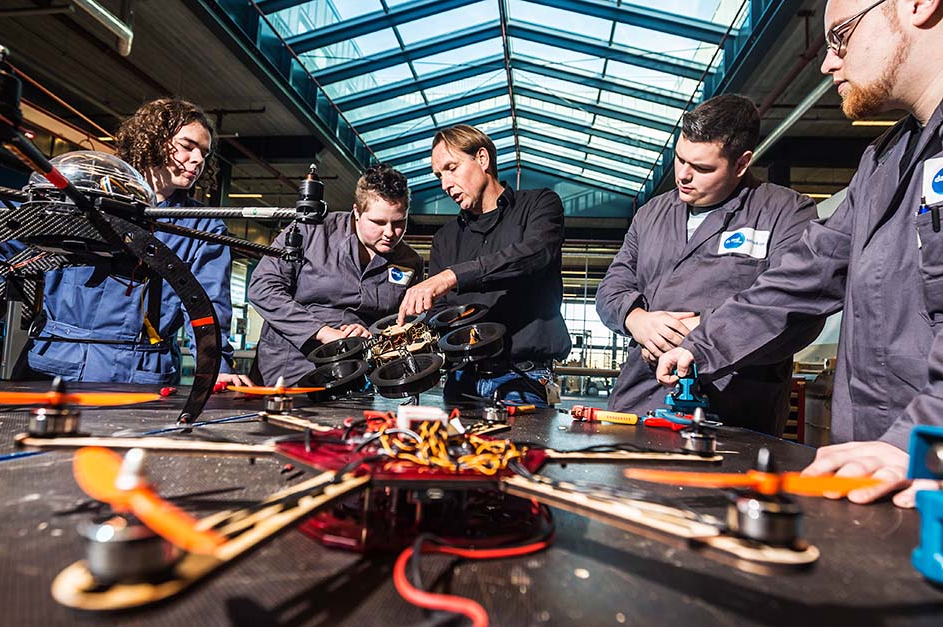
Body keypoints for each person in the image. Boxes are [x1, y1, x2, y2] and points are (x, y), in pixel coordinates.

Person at [656, 0, 943, 507]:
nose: (828, 61)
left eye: (841, 35)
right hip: (875, 469)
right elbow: (805, 277)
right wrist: (703, 343)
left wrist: (920, 440)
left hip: (918, 462)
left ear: (919, 5)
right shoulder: (881, 164)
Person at [0, 98, 251, 386]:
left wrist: (217, 367)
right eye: (187, 146)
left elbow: (210, 303)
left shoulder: (203, 224)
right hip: (53, 366)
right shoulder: (78, 193)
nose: (197, 159)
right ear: (155, 140)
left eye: (204, 154)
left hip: (143, 375)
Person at [596, 94, 819, 435]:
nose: (683, 176)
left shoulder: (785, 213)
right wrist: (636, 319)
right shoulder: (651, 214)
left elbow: (796, 307)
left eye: (701, 168)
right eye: (680, 159)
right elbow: (611, 288)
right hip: (641, 399)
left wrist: (702, 330)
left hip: (734, 406)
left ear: (742, 163)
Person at [397, 124, 571, 406]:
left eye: (451, 168)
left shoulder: (540, 204)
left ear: (482, 158)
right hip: (460, 382)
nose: (444, 184)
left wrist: (453, 276)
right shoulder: (445, 238)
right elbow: (440, 312)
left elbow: (534, 255)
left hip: (522, 379)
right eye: (439, 175)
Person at [249, 164, 423, 386]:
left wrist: (370, 334)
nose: (389, 233)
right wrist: (321, 331)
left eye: (399, 222)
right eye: (378, 223)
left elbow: (403, 325)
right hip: (291, 368)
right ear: (357, 212)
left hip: (356, 374)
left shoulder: (410, 262)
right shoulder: (310, 230)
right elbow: (262, 288)